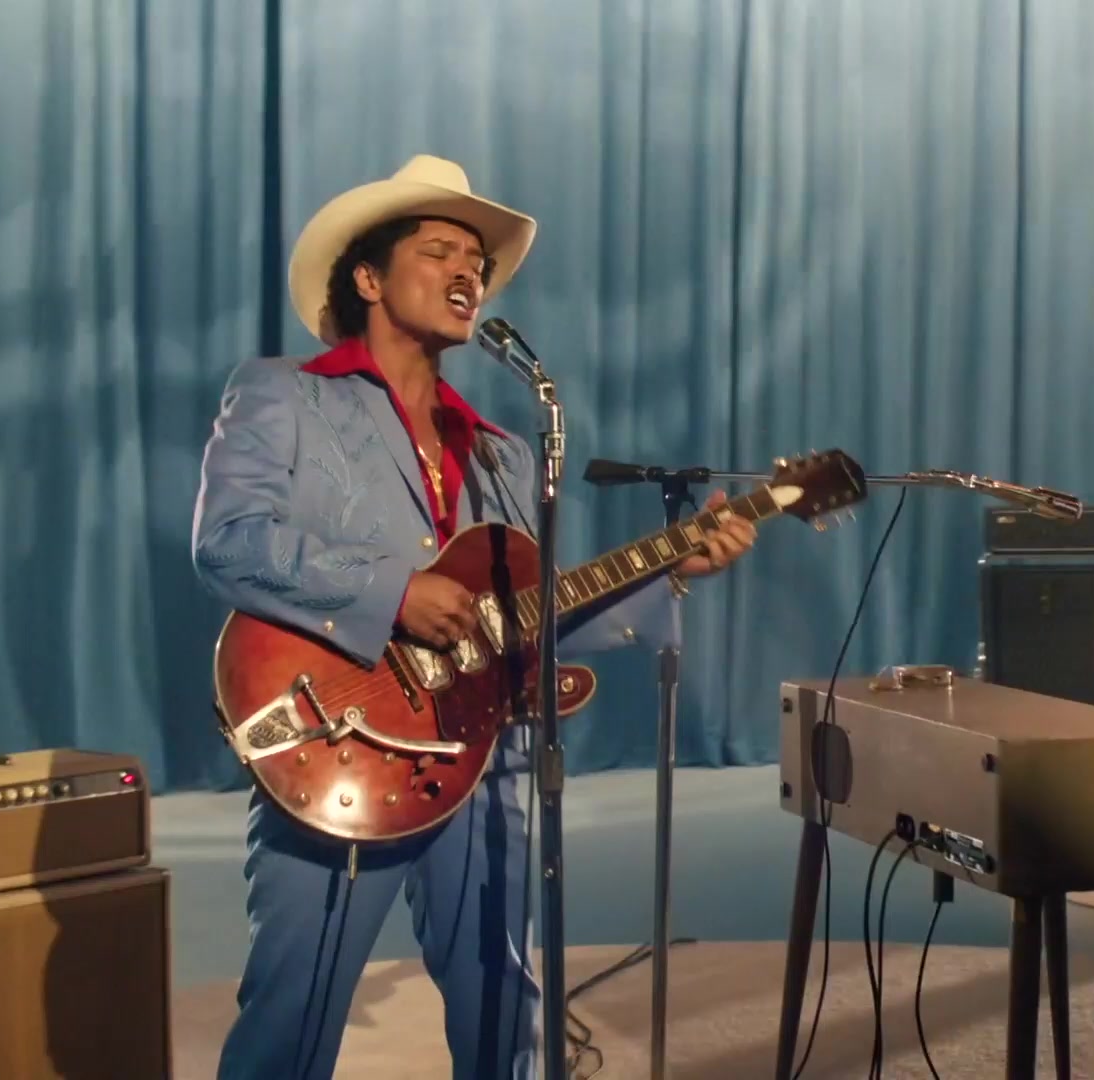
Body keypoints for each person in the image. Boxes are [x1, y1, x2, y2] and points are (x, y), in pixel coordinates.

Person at [191, 155, 756, 1080]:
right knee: (290, 1023)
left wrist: (674, 570)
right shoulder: (286, 395)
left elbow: (524, 624)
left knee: (506, 1012)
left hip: (483, 765)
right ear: (368, 278)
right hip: (340, 744)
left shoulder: (499, 453)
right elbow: (229, 542)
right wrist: (393, 591)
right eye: (439, 251)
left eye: (478, 262)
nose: (468, 272)